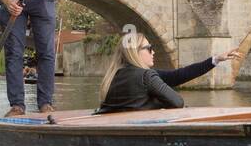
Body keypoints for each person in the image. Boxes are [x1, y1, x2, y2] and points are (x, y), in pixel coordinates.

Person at [93, 33, 242, 114]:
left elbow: (178, 76)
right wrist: (158, 102)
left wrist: (215, 59)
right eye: (149, 48)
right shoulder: (146, 76)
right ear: (135, 52)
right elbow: (178, 102)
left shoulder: (113, 76)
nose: (154, 52)